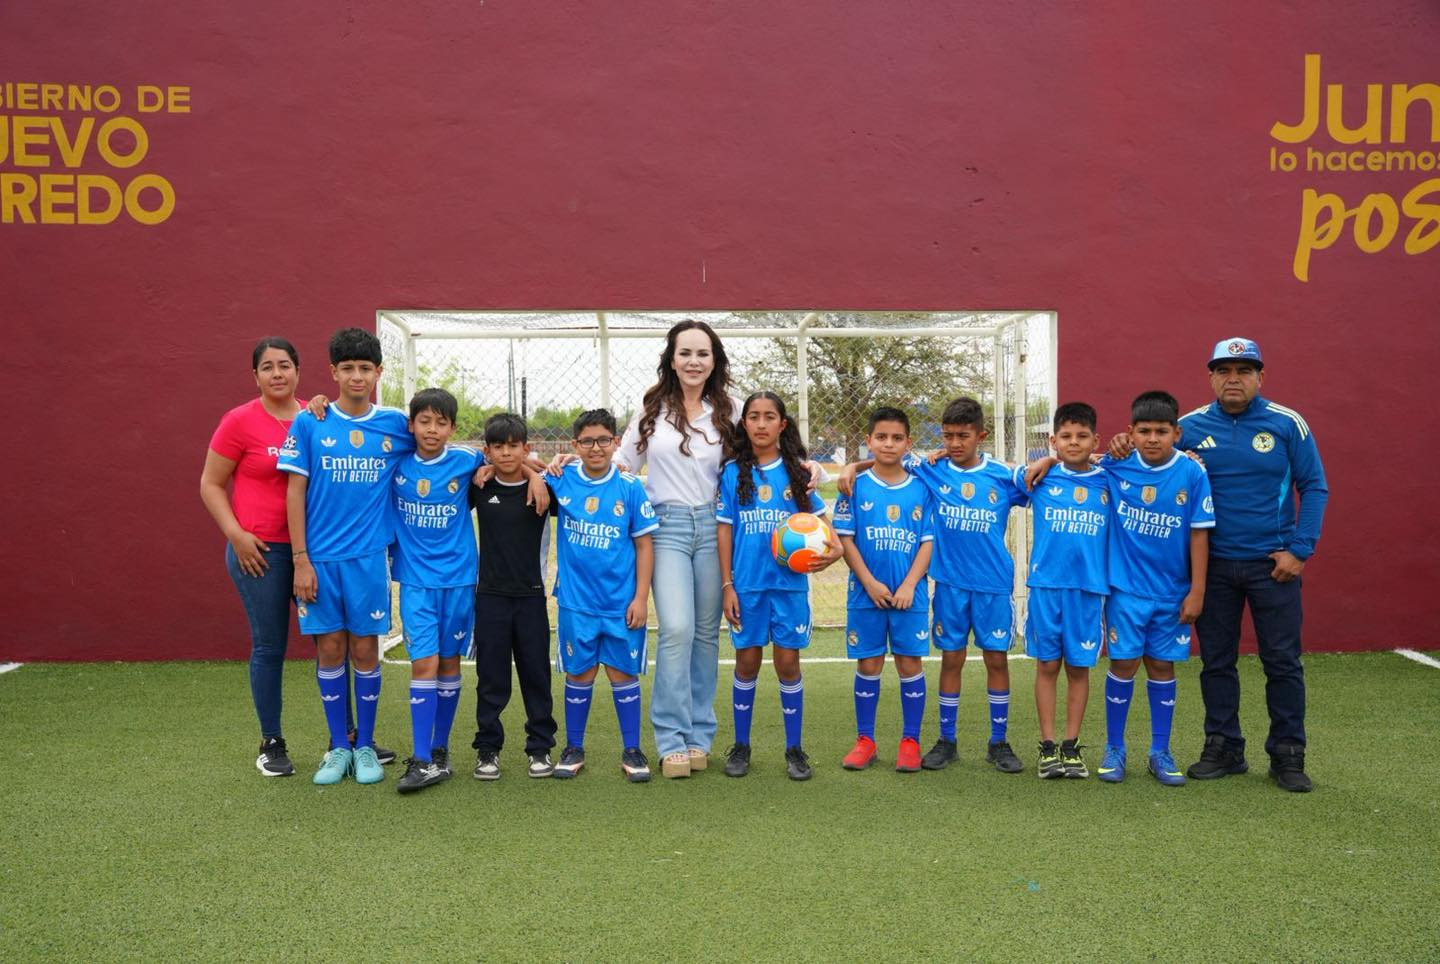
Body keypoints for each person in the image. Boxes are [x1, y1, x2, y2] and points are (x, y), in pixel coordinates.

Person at [843, 397, 1028, 773]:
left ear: (981, 436)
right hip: (949, 584)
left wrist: (1055, 461)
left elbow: (1039, 479)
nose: (955, 443)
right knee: (951, 658)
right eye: (948, 436)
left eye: (963, 436)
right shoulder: (931, 470)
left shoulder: (1001, 475)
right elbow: (886, 459)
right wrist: (852, 465)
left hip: (993, 584)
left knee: (996, 658)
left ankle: (999, 741)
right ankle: (946, 740)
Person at [1179, 338, 1327, 792]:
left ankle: (1287, 754)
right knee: (1216, 662)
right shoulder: (1187, 427)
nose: (1234, 379)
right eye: (1224, 370)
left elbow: (1314, 486)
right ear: (1211, 377)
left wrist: (1300, 550)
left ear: (1261, 377)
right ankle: (1224, 747)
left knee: (1282, 662)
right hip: (1215, 566)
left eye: (1244, 370)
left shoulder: (1287, 424)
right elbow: (1146, 461)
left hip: (1273, 566)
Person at [278, 327, 414, 786]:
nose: (357, 376)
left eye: (365, 368)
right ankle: (338, 746)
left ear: (379, 373)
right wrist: (300, 560)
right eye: (348, 368)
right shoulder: (310, 422)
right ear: (333, 372)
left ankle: (366, 746)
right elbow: (295, 492)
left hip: (368, 560)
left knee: (365, 649)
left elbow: (437, 443)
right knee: (330, 648)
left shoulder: (394, 424)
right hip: (319, 561)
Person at [716, 392, 842, 781]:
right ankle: (741, 745)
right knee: (747, 662)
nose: (761, 423)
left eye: (769, 416)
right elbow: (724, 531)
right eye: (753, 416)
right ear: (744, 424)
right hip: (747, 586)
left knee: (788, 664)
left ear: (782, 425)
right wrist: (727, 585)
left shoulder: (798, 473)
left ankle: (794, 749)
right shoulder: (732, 473)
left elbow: (826, 531)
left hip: (789, 589)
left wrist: (835, 551)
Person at [1096, 391, 1213, 787]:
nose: (1152, 438)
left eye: (1161, 431)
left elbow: (1199, 534)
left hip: (1172, 593)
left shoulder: (1192, 473)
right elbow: (1076, 462)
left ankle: (1160, 751)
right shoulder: (1116, 464)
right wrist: (1048, 460)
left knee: (1162, 666)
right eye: (1143, 431)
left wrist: (1197, 591)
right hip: (1125, 591)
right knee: (1124, 664)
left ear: (1176, 433)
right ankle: (1115, 748)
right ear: (1130, 432)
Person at [201, 337, 305, 776]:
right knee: (269, 646)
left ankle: (349, 739)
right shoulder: (239, 421)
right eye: (267, 367)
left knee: (333, 644)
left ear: (298, 371)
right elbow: (210, 484)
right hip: (259, 554)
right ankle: (271, 742)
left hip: (310, 553)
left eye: (284, 365)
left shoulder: (315, 417)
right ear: (256, 376)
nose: (277, 373)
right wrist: (236, 535)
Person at [550, 410, 659, 783]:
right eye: (586, 441)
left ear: (615, 443)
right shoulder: (562, 478)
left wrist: (641, 598)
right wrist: (543, 471)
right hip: (576, 602)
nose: (595, 448)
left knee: (622, 672)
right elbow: (521, 468)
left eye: (603, 440)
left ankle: (632, 749)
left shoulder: (629, 487)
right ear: (575, 444)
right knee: (579, 673)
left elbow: (644, 545)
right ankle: (573, 747)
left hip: (620, 603)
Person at [389, 388, 486, 793]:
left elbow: (510, 459)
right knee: (423, 664)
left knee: (449, 663)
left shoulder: (467, 461)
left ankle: (440, 752)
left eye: (441, 422)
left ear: (453, 428)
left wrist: (535, 476)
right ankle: (421, 757)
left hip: (460, 580)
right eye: (424, 421)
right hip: (416, 583)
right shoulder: (395, 463)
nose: (432, 429)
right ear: (411, 425)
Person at [833, 407, 935, 773]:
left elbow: (927, 542)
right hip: (866, 594)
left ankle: (910, 741)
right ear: (868, 441)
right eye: (881, 437)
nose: (888, 444)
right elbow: (845, 538)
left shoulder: (922, 488)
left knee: (909, 663)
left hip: (911, 596)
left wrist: (909, 584)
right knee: (869, 662)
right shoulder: (854, 486)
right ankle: (866, 741)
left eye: (896, 438)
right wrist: (869, 582)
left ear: (908, 443)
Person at [1013, 402, 1110, 779]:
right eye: (1065, 436)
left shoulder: (1108, 479)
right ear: (1053, 441)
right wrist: (1047, 461)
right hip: (1046, 588)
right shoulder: (1040, 478)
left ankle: (1071, 746)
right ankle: (1048, 746)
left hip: (1087, 590)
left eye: (1082, 436)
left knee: (1079, 668)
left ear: (1095, 440)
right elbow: (996, 476)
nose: (1074, 442)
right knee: (1048, 665)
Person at [470, 413, 560, 781]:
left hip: (531, 597)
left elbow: (573, 471)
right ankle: (488, 748)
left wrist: (535, 475)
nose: (506, 453)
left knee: (536, 674)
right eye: (498, 447)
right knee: (491, 677)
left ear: (526, 448)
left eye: (513, 446)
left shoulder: (545, 489)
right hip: (490, 596)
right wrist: (490, 468)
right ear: (487, 451)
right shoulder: (479, 485)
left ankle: (540, 748)